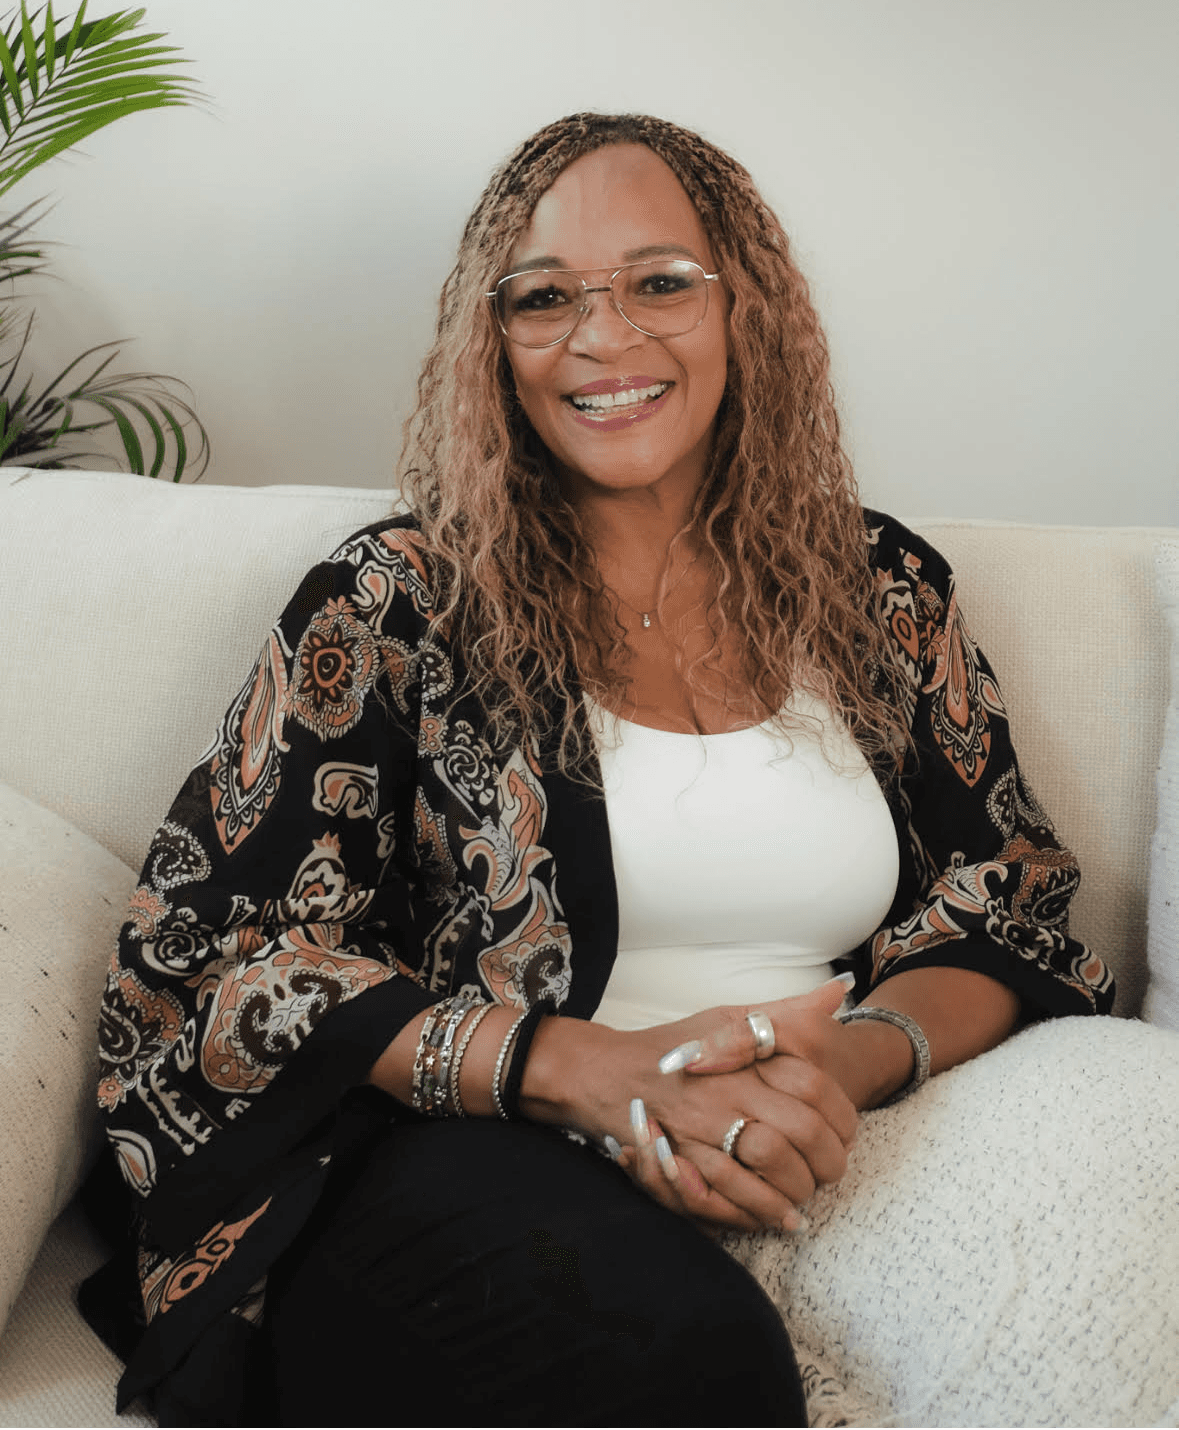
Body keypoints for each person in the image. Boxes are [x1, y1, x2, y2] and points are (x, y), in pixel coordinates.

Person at [85, 112, 1114, 1426]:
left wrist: (841, 1068)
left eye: (659, 284)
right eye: (544, 298)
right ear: (490, 341)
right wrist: (580, 1067)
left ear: (745, 309)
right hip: (454, 1151)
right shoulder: (396, 599)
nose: (603, 338)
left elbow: (1008, 897)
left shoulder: (880, 590)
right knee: (679, 1358)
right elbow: (211, 953)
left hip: (810, 1121)